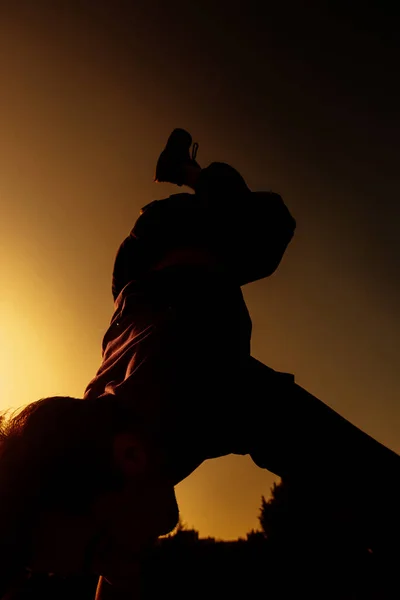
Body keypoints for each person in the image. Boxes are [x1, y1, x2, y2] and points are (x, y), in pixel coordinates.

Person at [0, 129, 398, 599]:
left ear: (130, 456)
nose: (119, 568)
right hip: (135, 288)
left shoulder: (198, 386)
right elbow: (107, 551)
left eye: (103, 549)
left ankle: (184, 170)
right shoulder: (106, 442)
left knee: (271, 224)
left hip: (174, 234)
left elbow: (359, 475)